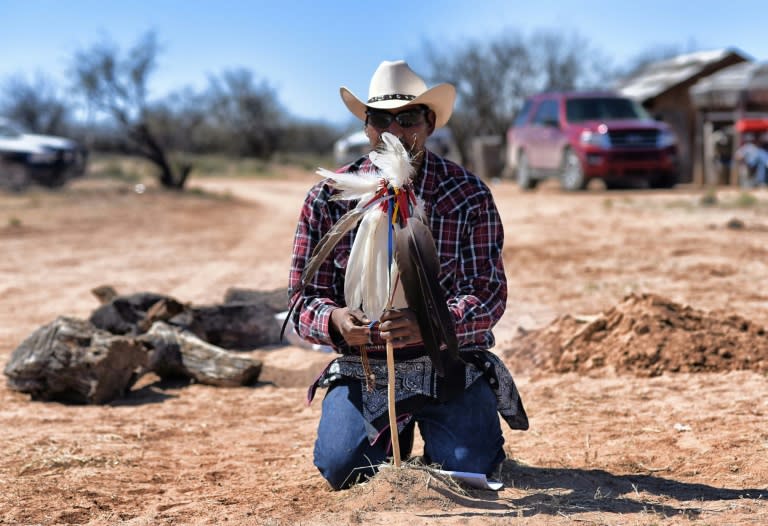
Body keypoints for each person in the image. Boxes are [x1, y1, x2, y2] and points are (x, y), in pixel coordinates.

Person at [287, 60, 528, 490]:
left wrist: (430, 323)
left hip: (449, 362)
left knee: (466, 469)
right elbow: (302, 299)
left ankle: (458, 435)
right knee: (347, 471)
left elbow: (487, 294)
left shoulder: (467, 194)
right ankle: (387, 433)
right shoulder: (329, 196)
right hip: (365, 367)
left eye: (408, 118)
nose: (394, 131)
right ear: (366, 126)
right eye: (380, 119)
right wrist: (337, 321)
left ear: (429, 123)